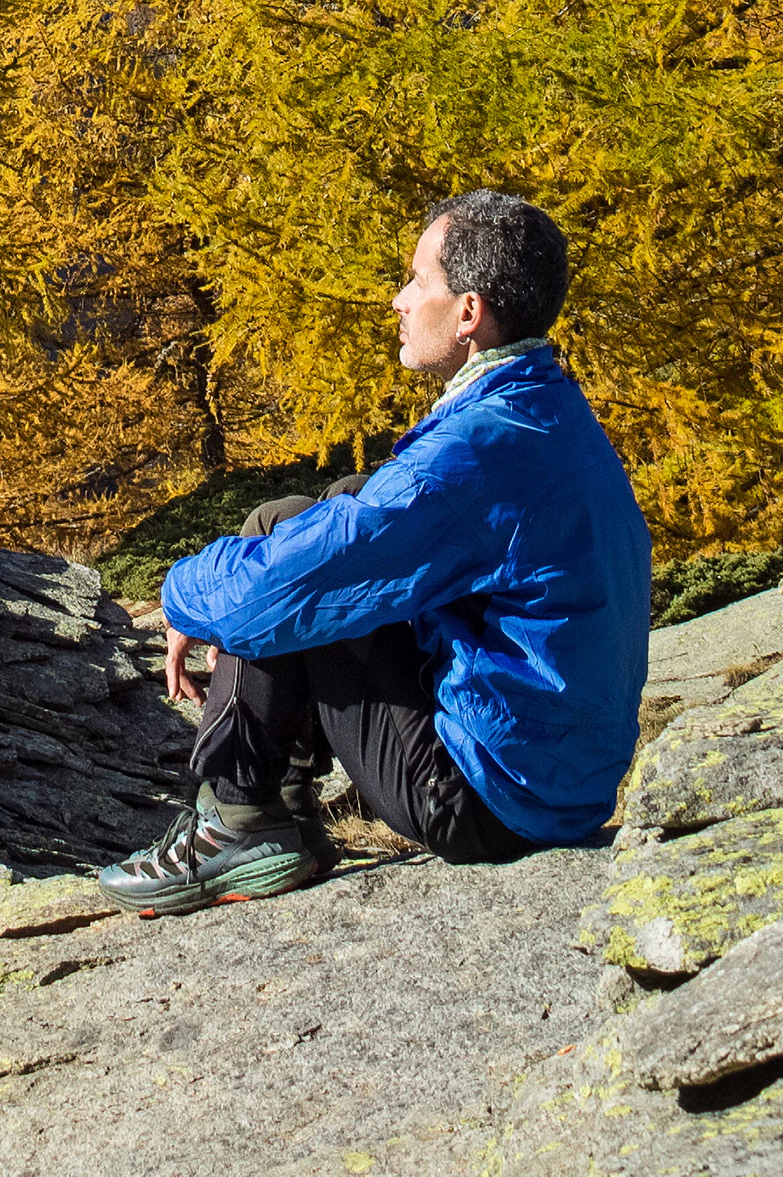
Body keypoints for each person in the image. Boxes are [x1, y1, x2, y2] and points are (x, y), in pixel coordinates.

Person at [93, 189, 654, 915]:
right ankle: (280, 810)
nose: (398, 298)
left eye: (418, 281)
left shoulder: (474, 455)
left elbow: (278, 589)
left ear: (468, 313)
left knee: (283, 567)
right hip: (561, 781)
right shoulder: (544, 409)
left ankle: (237, 817)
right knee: (320, 513)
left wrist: (183, 595)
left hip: (487, 799)